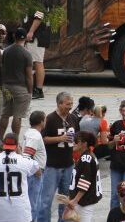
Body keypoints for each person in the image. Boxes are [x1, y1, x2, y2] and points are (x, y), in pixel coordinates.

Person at [0, 133, 40, 222]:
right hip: (21, 214)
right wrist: (21, 154)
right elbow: (38, 172)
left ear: (3, 145)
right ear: (17, 145)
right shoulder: (25, 161)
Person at [39, 91, 77, 222]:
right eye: (67, 104)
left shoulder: (73, 118)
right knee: (46, 200)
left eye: (71, 103)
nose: (70, 106)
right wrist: (60, 138)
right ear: (59, 104)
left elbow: (75, 138)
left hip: (68, 164)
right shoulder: (49, 119)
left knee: (65, 199)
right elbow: (42, 139)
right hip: (52, 166)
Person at [0, 27, 33, 138]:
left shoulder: (6, 51)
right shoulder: (26, 54)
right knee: (17, 116)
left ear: (14, 36)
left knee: (5, 114)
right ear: (25, 39)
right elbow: (29, 76)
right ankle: (15, 140)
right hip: (21, 87)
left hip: (7, 86)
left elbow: (2, 68)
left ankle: (0, 138)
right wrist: (30, 91)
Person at [63, 130, 101, 222]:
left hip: (84, 202)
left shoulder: (86, 158)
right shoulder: (87, 156)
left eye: (76, 141)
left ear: (84, 144)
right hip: (83, 201)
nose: (74, 143)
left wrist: (75, 200)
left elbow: (85, 181)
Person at [21, 110, 46, 219]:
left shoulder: (30, 132)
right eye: (45, 120)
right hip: (34, 175)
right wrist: (37, 170)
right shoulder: (35, 136)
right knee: (33, 205)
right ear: (41, 122)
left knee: (35, 203)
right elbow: (27, 155)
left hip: (33, 174)